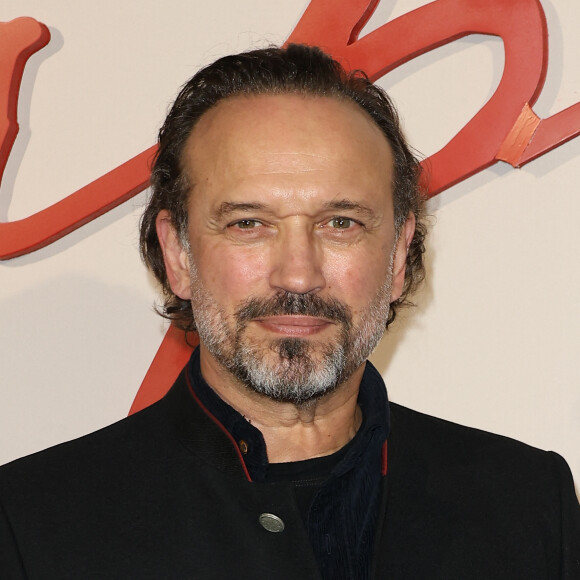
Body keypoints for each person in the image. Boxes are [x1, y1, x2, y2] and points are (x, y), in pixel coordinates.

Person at [0, 44, 578, 580]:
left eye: (341, 223)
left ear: (399, 255)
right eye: (248, 223)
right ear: (177, 255)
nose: (298, 274)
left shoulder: (528, 504)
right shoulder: (31, 523)